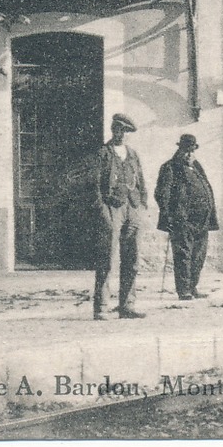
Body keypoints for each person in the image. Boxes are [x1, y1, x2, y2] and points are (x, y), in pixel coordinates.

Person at [93, 113, 147, 320]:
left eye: (126, 132)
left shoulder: (133, 155)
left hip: (132, 208)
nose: (122, 135)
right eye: (118, 130)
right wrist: (102, 210)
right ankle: (101, 307)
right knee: (107, 258)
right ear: (112, 130)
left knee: (132, 258)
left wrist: (142, 204)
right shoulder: (103, 154)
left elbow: (141, 181)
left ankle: (127, 305)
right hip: (111, 208)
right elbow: (95, 186)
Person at [156, 133, 219, 300]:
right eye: (186, 151)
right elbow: (162, 194)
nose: (189, 155)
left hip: (202, 220)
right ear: (180, 150)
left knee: (199, 255)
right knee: (183, 254)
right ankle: (183, 290)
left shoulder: (197, 167)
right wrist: (168, 215)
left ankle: (192, 286)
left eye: (192, 151)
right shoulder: (170, 168)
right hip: (182, 220)